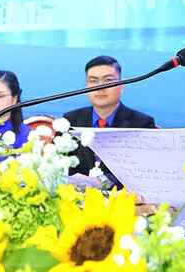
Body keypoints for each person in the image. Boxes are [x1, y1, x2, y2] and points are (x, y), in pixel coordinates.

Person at [63, 55, 156, 184]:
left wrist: (103, 182)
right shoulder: (70, 121)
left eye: (108, 80)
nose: (100, 87)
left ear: (122, 85)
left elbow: (144, 172)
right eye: (93, 81)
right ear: (85, 87)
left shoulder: (141, 124)